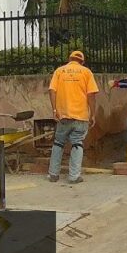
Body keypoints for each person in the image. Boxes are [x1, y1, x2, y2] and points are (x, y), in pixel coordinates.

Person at [47, 50, 99, 184]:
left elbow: (52, 90)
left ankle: (53, 174)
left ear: (69, 59)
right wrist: (93, 114)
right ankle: (74, 176)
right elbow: (91, 95)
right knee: (77, 143)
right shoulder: (86, 72)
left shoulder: (59, 71)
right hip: (81, 116)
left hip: (63, 115)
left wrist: (54, 110)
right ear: (82, 61)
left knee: (58, 143)